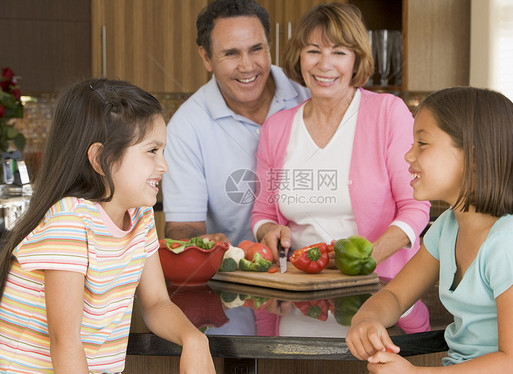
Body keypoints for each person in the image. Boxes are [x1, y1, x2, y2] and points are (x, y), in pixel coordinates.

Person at [0, 79, 215, 373]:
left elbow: (156, 303)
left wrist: (194, 339)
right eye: (152, 151)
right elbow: (65, 343)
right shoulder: (70, 223)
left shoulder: (140, 216)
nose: (164, 165)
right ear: (101, 159)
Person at [346, 87, 513, 373]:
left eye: (422, 143)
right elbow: (395, 297)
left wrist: (413, 373)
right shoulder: (447, 227)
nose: (409, 156)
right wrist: (366, 321)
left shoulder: (512, 243)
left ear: (472, 155)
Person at [250, 3, 430, 278]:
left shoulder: (388, 113)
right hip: (299, 288)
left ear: (356, 59)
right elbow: (263, 213)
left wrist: (364, 260)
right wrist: (268, 231)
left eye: (339, 52)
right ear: (298, 57)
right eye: (313, 51)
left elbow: (415, 207)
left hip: (378, 288)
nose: (324, 64)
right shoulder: (276, 128)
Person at [163, 0, 309, 246]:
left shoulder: (307, 93)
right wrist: (202, 242)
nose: (247, 66)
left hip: (319, 269)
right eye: (231, 53)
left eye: (256, 49)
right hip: (236, 275)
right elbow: (183, 225)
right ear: (206, 58)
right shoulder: (186, 128)